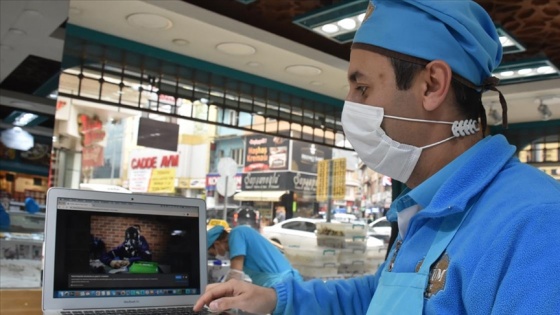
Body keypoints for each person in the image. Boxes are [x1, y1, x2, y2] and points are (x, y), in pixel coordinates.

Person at [194, 1, 560, 314]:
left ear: (432, 85)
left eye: (363, 88)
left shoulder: (535, 223)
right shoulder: (421, 209)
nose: (350, 107)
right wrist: (277, 299)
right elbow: (382, 295)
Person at [207, 225, 302, 288]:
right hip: (275, 286)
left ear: (217, 244)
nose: (216, 256)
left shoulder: (237, 234)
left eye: (212, 253)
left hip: (285, 284)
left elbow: (235, 275)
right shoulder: (236, 250)